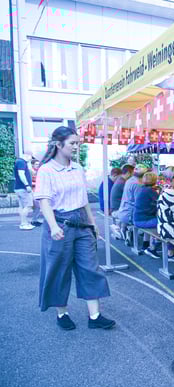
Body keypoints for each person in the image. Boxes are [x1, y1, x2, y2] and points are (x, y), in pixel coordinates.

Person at [34, 126, 114, 331]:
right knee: (59, 270)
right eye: (73, 143)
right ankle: (62, 313)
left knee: (90, 268)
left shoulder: (77, 168)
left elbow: (83, 199)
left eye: (78, 143)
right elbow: (44, 201)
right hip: (60, 224)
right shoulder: (46, 170)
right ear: (58, 144)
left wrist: (93, 223)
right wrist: (53, 226)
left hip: (82, 223)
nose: (77, 147)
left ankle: (95, 316)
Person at [115, 164, 148, 246]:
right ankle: (147, 244)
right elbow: (139, 203)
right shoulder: (138, 184)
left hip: (123, 210)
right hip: (129, 214)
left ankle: (126, 230)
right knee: (150, 217)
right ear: (144, 175)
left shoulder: (129, 180)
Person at [157, 167, 174, 263]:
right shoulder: (169, 192)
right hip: (170, 228)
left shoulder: (166, 189)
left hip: (165, 226)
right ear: (170, 179)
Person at [133, 172, 160, 258]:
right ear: (155, 180)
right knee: (164, 223)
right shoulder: (150, 191)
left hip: (137, 218)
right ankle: (152, 248)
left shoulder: (143, 189)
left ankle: (145, 245)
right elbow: (161, 202)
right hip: (143, 220)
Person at [14, 150, 35, 230]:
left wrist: (28, 164)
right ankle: (23, 224)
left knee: (22, 206)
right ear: (28, 155)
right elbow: (21, 174)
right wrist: (27, 185)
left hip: (19, 188)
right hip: (23, 188)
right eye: (31, 157)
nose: (31, 159)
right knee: (28, 205)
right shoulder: (21, 162)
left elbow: (31, 172)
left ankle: (24, 223)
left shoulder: (20, 162)